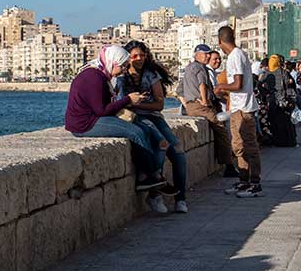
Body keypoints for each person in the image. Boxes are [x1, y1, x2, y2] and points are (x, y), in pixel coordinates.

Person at [65, 46, 164, 191]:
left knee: (143, 128)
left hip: (93, 118)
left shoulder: (100, 74)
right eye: (123, 66)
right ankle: (153, 175)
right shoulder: (94, 77)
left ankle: (144, 176)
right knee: (136, 132)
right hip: (85, 124)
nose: (124, 70)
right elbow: (101, 110)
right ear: (113, 62)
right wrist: (128, 99)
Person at [117, 40, 187, 214]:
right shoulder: (120, 76)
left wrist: (136, 104)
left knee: (178, 152)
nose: (139, 59)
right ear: (127, 57)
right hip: (134, 119)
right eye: (134, 56)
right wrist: (132, 105)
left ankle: (181, 199)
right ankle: (155, 194)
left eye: (142, 55)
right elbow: (118, 103)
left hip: (153, 116)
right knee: (160, 144)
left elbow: (159, 104)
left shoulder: (150, 74)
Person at [214, 26, 262, 198]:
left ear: (220, 41)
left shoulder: (235, 56)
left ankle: (255, 183)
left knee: (249, 146)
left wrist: (220, 86)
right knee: (238, 146)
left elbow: (237, 84)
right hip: (236, 108)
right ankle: (244, 180)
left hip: (244, 108)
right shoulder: (237, 55)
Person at [179, 44, 235, 169]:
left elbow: (179, 91)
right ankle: (228, 165)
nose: (208, 56)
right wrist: (204, 101)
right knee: (221, 129)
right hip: (201, 107)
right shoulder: (200, 68)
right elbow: (202, 85)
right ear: (197, 54)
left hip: (191, 106)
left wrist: (187, 105)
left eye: (209, 54)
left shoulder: (188, 68)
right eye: (205, 54)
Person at [264, 54, 297, 147]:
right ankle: (288, 142)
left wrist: (266, 93)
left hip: (272, 102)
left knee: (274, 122)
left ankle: (277, 141)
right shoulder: (284, 72)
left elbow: (259, 84)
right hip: (283, 101)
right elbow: (291, 86)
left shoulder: (267, 74)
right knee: (285, 122)